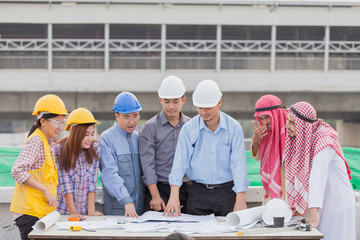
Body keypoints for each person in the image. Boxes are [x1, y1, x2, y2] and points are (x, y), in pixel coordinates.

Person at [164, 79, 249, 217]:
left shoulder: (234, 128)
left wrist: (240, 199)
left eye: (208, 107)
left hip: (227, 193)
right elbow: (180, 162)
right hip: (198, 193)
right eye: (200, 107)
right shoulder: (189, 129)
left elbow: (238, 164)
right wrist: (174, 195)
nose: (203, 112)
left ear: (219, 102)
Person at [284, 101, 355, 240]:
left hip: (337, 204)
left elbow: (318, 175)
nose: (287, 126)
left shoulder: (323, 140)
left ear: (303, 124)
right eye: (288, 121)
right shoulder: (308, 137)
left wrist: (313, 210)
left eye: (292, 122)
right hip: (323, 202)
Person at [10, 94, 68, 240]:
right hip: (30, 213)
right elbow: (17, 170)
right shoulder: (36, 141)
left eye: (63, 122)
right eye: (57, 122)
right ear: (43, 121)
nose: (60, 127)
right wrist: (44, 190)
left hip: (39, 213)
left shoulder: (48, 143)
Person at [139, 76, 191, 213]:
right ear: (160, 100)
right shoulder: (150, 128)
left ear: (183, 100)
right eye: (167, 101)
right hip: (160, 190)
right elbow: (147, 165)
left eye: (175, 101)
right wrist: (155, 196)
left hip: (188, 189)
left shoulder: (192, 126)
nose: (171, 106)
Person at [99, 91, 145, 217]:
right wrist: (126, 200)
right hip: (118, 209)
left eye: (135, 116)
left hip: (140, 208)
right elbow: (109, 175)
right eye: (126, 117)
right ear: (117, 116)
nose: (132, 121)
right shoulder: (106, 139)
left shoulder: (138, 137)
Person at [55, 108, 103, 218]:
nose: (90, 138)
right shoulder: (60, 149)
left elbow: (92, 181)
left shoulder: (95, 148)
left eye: (92, 134)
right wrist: (73, 212)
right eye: (86, 134)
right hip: (63, 212)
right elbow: (65, 184)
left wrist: (91, 211)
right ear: (75, 133)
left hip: (84, 212)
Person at [251, 95, 287, 202]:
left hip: (290, 195)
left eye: (267, 117)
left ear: (277, 114)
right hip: (272, 197)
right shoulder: (265, 134)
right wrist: (255, 141)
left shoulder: (291, 131)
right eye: (261, 119)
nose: (265, 122)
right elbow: (257, 157)